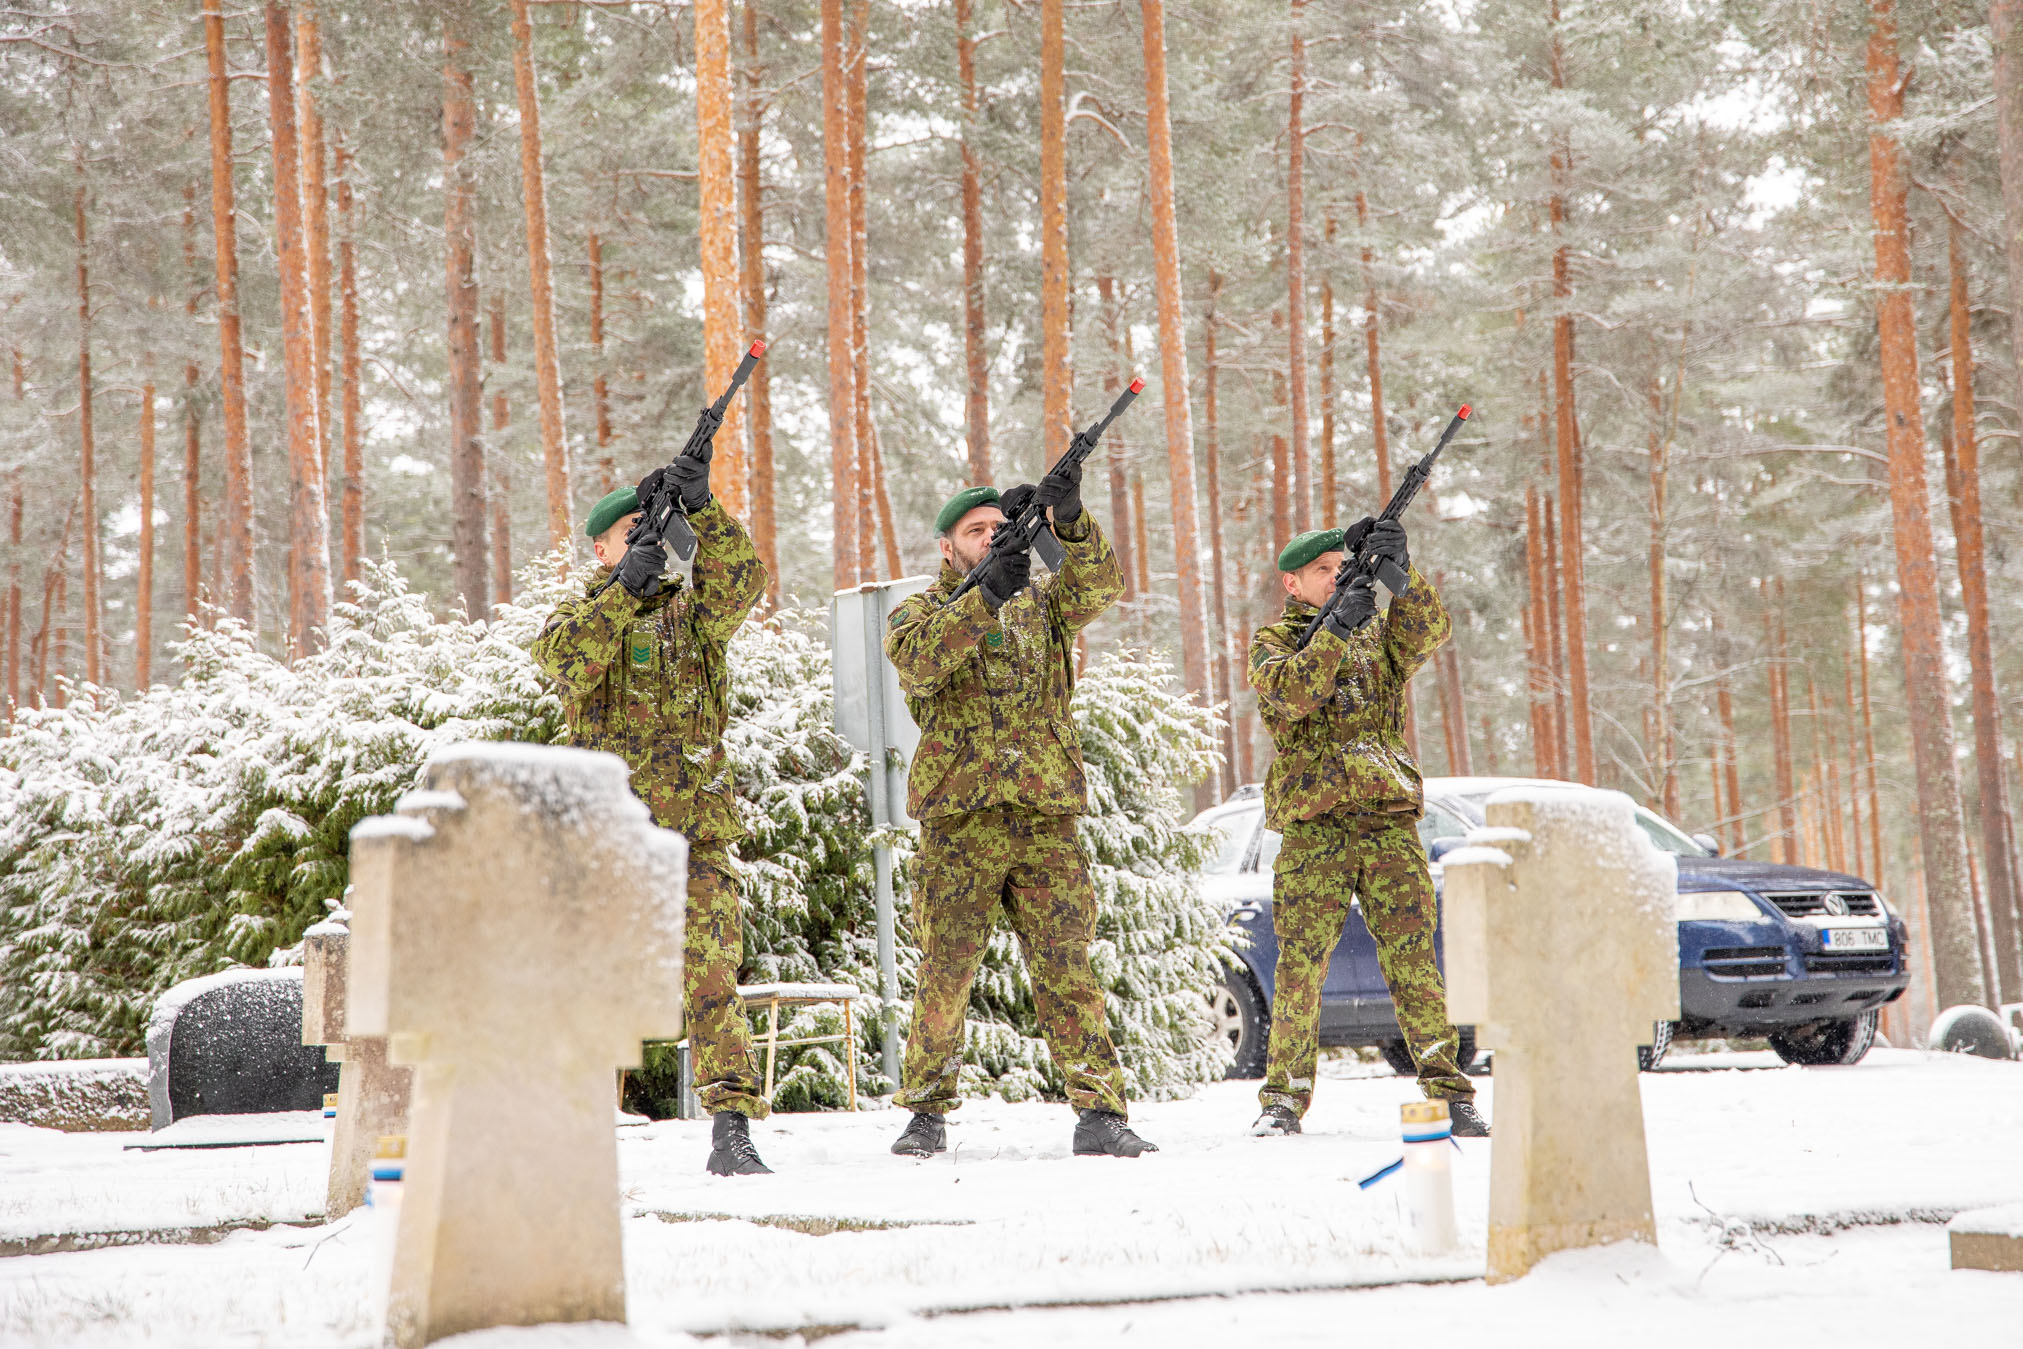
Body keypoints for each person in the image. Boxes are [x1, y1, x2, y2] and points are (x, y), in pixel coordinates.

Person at [881, 462, 1156, 1160]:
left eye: (998, 528)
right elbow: (919, 663)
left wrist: (1070, 518)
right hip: (959, 820)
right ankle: (925, 1115)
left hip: (1043, 816)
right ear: (948, 547)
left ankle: (1100, 1112)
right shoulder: (915, 612)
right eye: (975, 532)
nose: (989, 537)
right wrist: (984, 598)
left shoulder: (1045, 604)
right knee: (946, 968)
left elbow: (1101, 582)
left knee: (1067, 965)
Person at [530, 453, 775, 1176]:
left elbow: (744, 582)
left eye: (650, 529)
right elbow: (566, 660)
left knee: (711, 978)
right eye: (627, 533)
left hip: (695, 829)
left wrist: (703, 508)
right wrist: (621, 591)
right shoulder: (578, 615)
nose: (643, 539)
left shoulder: (692, 615)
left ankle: (731, 1126)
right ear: (602, 548)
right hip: (609, 836)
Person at [1245, 519, 1489, 1139]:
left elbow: (1431, 630)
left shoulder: (1379, 636)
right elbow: (1290, 698)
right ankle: (1282, 1102)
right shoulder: (1273, 642)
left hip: (1386, 822)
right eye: (1321, 570)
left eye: (1340, 566)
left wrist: (1399, 574)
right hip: (1315, 828)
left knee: (1414, 965)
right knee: (1301, 966)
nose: (1335, 577)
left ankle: (1450, 1092)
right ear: (1293, 583)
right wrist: (1335, 631)